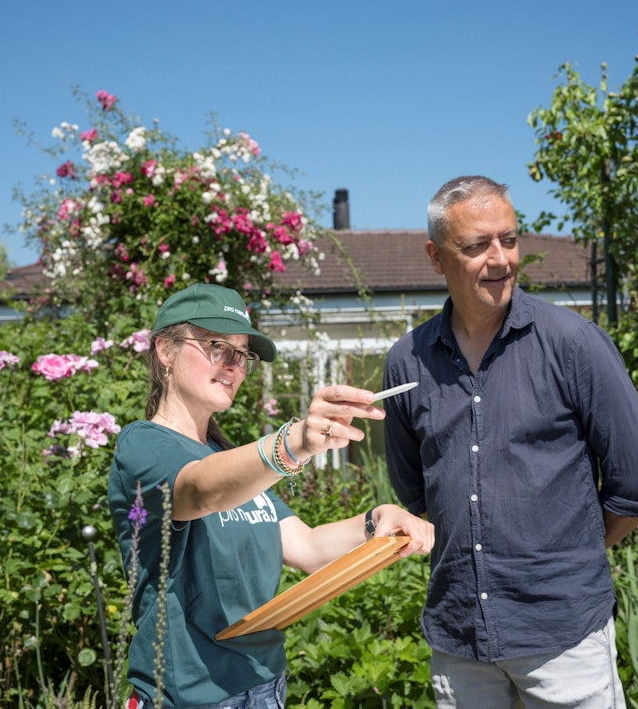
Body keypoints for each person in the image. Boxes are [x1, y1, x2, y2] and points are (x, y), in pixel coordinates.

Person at [382, 176, 638, 709]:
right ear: (436, 257)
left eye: (509, 240)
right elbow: (416, 493)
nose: (500, 259)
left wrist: (564, 557)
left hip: (563, 637)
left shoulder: (574, 345)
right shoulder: (407, 363)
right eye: (476, 246)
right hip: (460, 637)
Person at [109, 282, 434, 709]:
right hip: (190, 696)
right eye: (216, 346)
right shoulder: (143, 445)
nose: (233, 365)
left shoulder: (227, 457)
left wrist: (378, 519)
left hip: (265, 688)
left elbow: (308, 546)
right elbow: (200, 490)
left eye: (241, 355)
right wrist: (295, 440)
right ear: (165, 350)